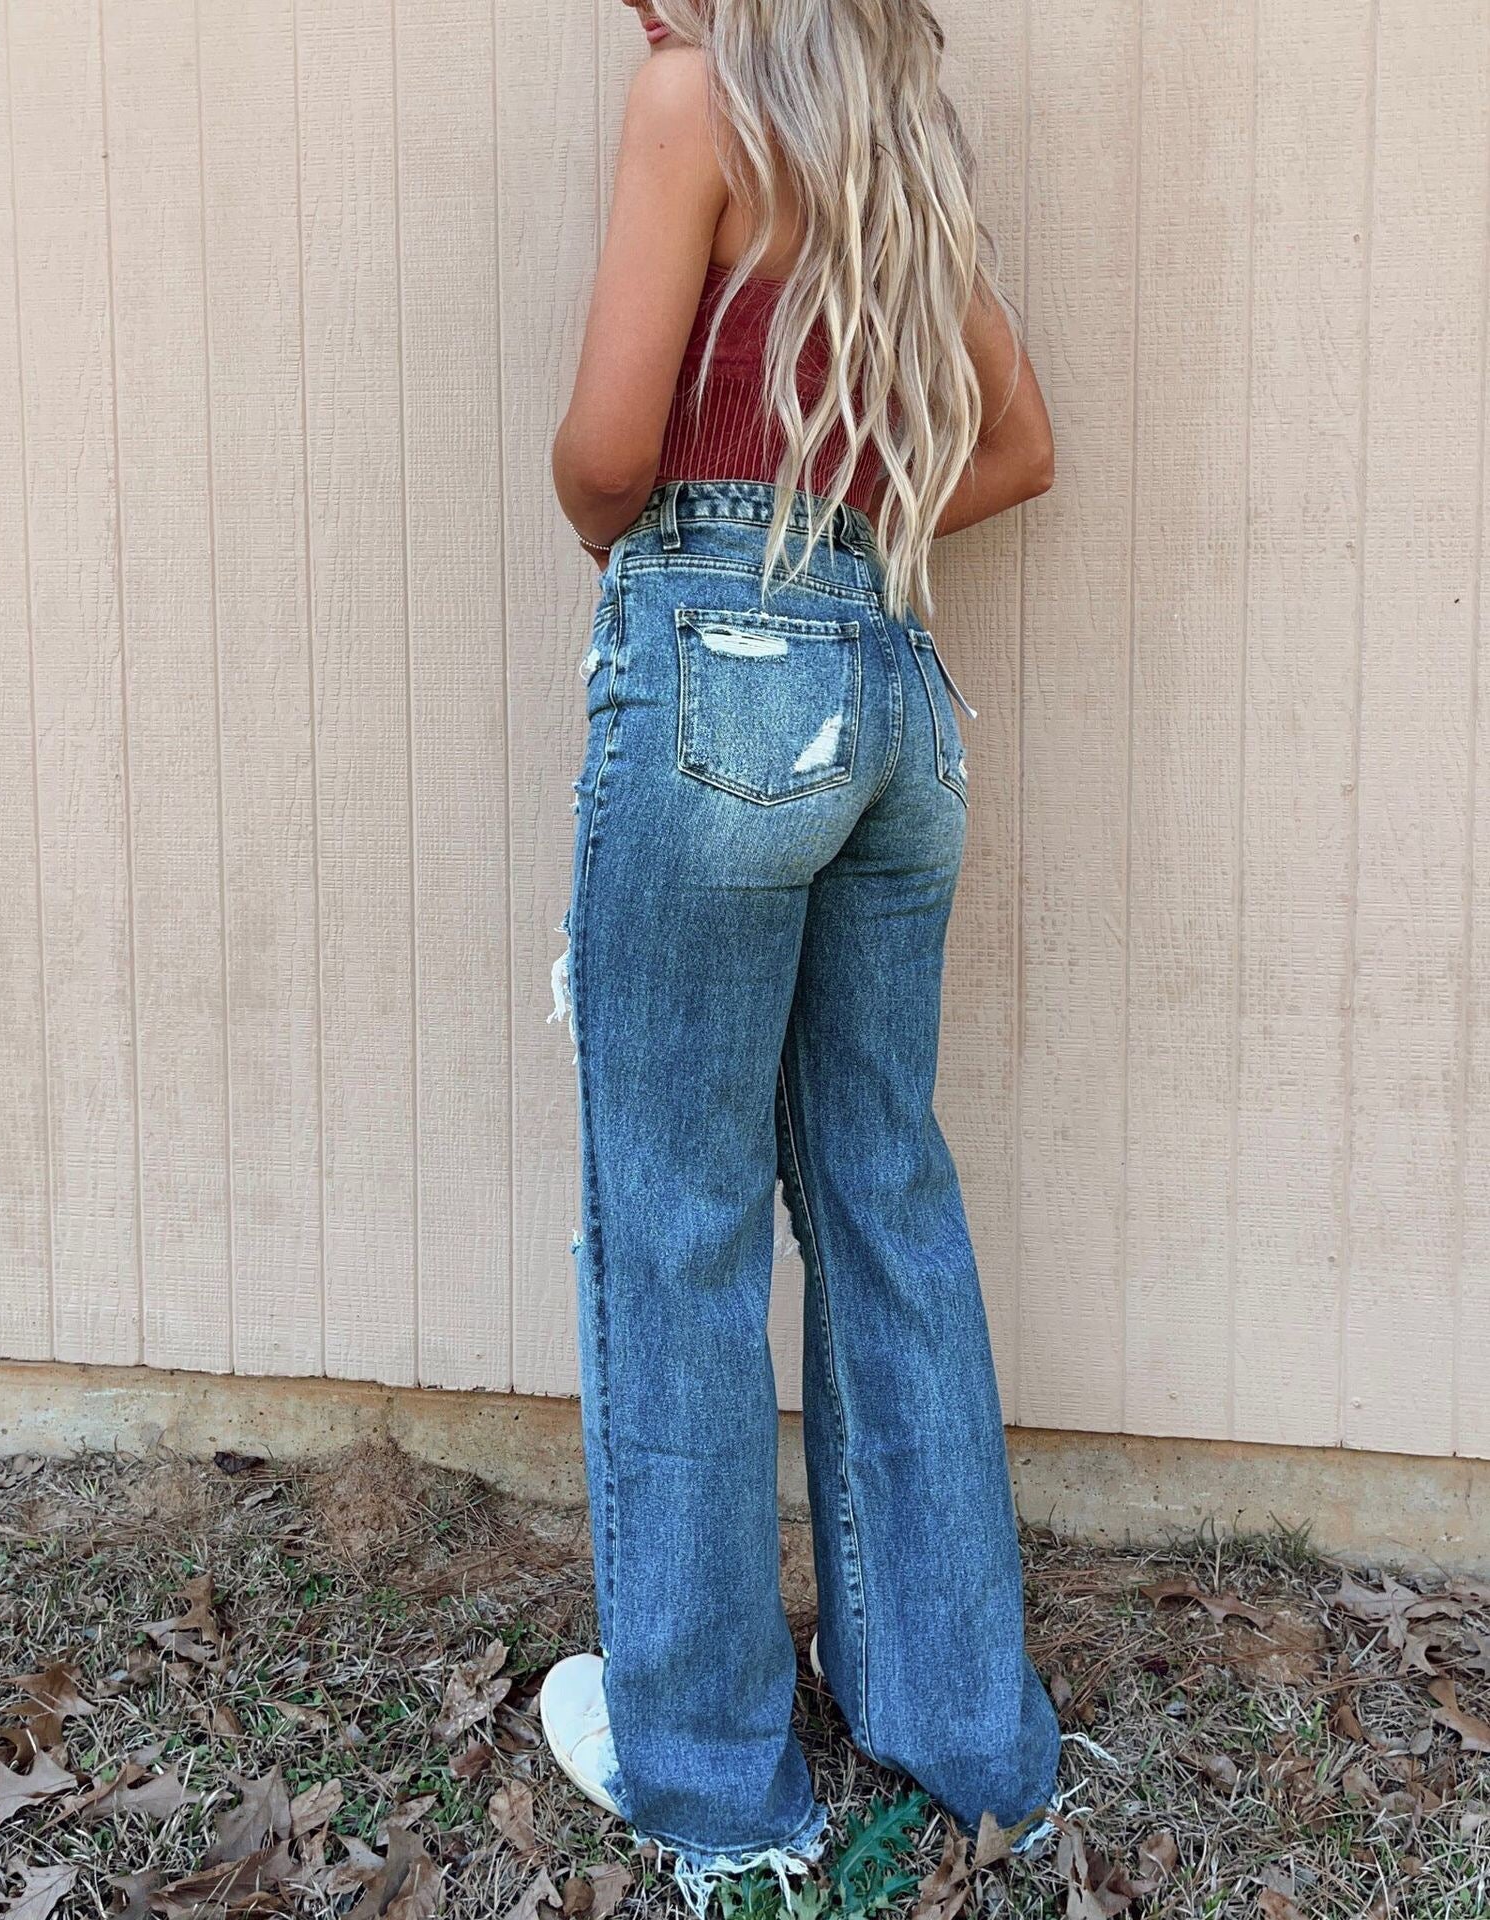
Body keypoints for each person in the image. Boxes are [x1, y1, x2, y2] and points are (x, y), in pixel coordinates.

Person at [541, 3, 1061, 1912]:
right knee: (882, 1195)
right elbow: (1021, 445)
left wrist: (655, 535)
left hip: (721, 667)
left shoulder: (694, 98)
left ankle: (709, 1782)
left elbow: (608, 453)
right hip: (896, 692)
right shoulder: (893, 146)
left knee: (676, 1222)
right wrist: (843, 541)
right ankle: (972, 1736)